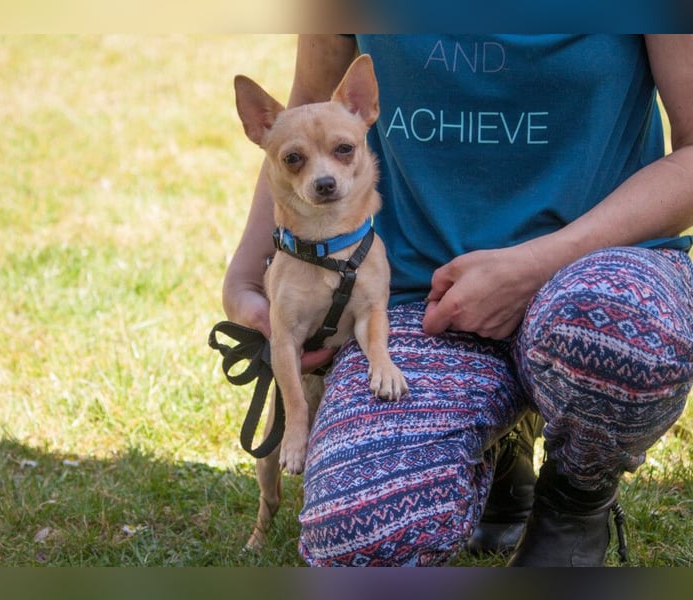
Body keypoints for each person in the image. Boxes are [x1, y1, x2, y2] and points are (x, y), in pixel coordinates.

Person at [222, 34, 693, 566]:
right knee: (363, 538)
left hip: (595, 264)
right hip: (420, 302)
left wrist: (536, 264)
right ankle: (496, 442)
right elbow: (309, 100)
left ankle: (575, 502)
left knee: (620, 326)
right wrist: (244, 274)